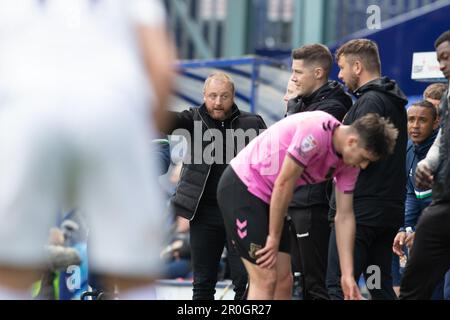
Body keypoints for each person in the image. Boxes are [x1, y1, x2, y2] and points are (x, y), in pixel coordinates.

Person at [0, 0, 174, 299]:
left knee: (12, 273)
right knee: (135, 276)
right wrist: (134, 137)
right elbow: (161, 67)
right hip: (112, 108)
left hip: (30, 108)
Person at [218, 110, 399, 300]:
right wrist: (273, 236)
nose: (363, 166)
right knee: (265, 279)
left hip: (271, 198)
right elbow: (284, 183)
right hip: (243, 187)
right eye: (364, 158)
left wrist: (347, 275)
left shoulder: (348, 163)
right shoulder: (317, 130)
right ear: (352, 142)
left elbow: (344, 216)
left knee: (283, 281)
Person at [165, 72, 267, 300]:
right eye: (212, 96)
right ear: (204, 96)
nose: (218, 102)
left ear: (233, 97)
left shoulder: (252, 123)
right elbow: (165, 120)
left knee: (245, 281)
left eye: (224, 96)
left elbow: (268, 164)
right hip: (204, 213)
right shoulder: (192, 120)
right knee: (202, 283)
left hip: (240, 213)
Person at [327, 39, 408, 300]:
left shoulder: (370, 102)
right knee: (378, 285)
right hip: (385, 212)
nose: (339, 75)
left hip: (361, 213)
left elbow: (353, 153)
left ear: (358, 66)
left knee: (338, 285)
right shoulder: (393, 101)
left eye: (341, 68)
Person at [286, 44, 352, 300]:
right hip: (296, 200)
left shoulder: (334, 106)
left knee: (316, 284)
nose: (292, 78)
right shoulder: (306, 102)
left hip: (313, 203)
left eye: (298, 72)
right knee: (297, 283)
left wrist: (292, 110)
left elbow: (297, 144)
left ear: (318, 73)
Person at [400, 29, 450, 300]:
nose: (441, 64)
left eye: (446, 57)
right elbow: (444, 139)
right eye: (439, 59)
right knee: (415, 283)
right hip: (443, 202)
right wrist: (428, 164)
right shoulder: (449, 97)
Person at [391, 100, 439, 296]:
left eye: (422, 120)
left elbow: (441, 201)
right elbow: (412, 193)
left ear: (436, 123)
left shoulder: (442, 153)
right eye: (411, 120)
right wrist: (405, 228)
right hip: (424, 236)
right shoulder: (409, 149)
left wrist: (421, 231)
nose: (415, 126)